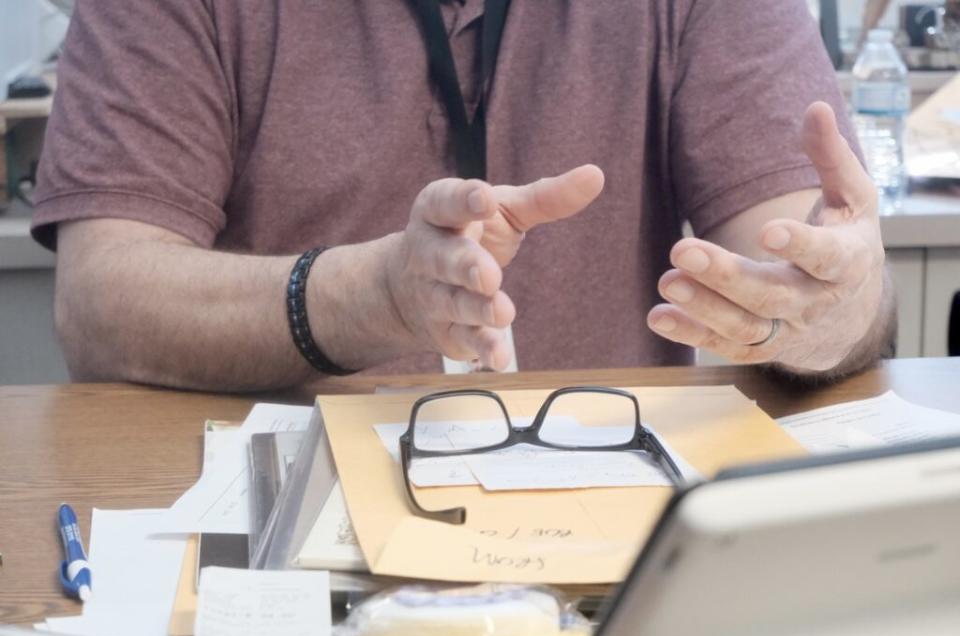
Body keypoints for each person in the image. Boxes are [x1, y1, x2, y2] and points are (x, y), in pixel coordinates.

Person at [32, 0, 894, 391]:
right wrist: (372, 296)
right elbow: (105, 301)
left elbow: (810, 261)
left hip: (604, 517)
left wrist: (827, 308)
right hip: (274, 525)